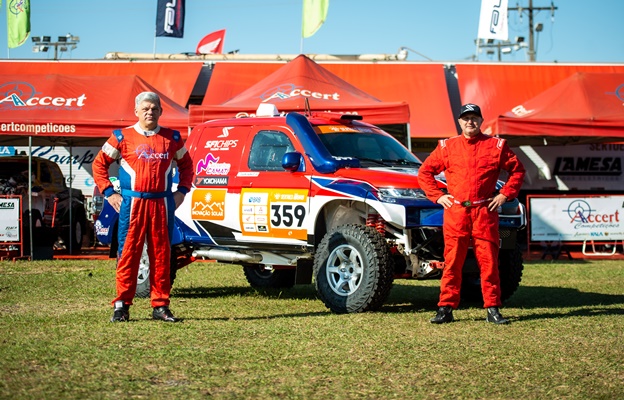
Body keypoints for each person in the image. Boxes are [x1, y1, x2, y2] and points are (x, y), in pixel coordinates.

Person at [417, 103, 525, 325]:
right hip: (456, 211)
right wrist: (438, 196)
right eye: (466, 118)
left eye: (474, 117)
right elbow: (425, 172)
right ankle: (445, 308)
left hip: (485, 211)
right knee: (452, 261)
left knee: (489, 262)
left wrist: (505, 195)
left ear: (481, 121)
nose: (470, 122)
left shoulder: (496, 146)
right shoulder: (447, 147)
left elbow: (517, 170)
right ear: (459, 122)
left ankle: (493, 308)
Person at [93, 91, 194, 323]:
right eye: (145, 108)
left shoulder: (172, 138)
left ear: (161, 111)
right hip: (133, 204)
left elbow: (187, 166)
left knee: (161, 255)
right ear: (136, 111)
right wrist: (109, 193)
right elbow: (99, 165)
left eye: (154, 108)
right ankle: (122, 306)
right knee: (129, 253)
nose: (150, 112)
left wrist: (182, 191)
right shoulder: (121, 137)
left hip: (162, 203)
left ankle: (160, 306)